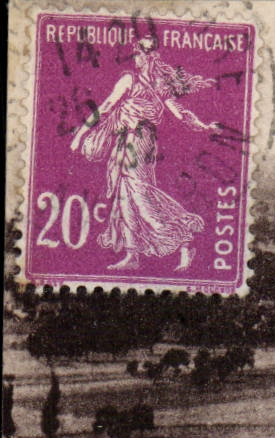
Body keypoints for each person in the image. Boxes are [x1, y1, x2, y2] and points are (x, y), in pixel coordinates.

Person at [69, 37, 221, 271]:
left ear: (148, 57)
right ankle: (132, 255)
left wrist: (81, 134)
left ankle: (183, 240)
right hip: (136, 141)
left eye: (138, 55)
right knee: (124, 195)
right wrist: (203, 126)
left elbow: (107, 107)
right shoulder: (151, 82)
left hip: (136, 141)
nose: (136, 59)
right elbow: (178, 113)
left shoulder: (138, 80)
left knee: (139, 194)